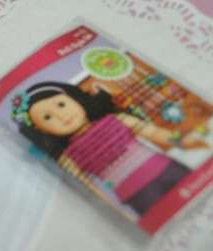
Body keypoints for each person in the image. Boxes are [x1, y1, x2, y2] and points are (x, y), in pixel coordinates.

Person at [12, 81, 207, 217]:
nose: (62, 116)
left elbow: (154, 133)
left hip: (170, 169)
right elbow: (89, 186)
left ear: (74, 99)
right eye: (47, 117)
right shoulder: (66, 156)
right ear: (40, 130)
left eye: (61, 104)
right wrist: (118, 212)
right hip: (139, 195)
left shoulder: (116, 119)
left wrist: (187, 141)